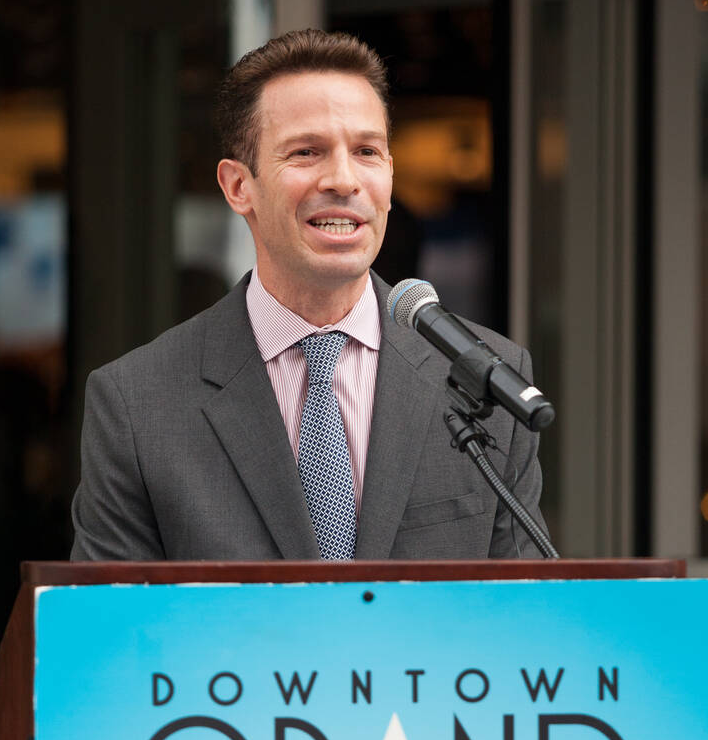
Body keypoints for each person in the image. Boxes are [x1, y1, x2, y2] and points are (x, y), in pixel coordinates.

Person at [70, 29, 546, 562]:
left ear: (390, 174)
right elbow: (110, 632)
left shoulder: (488, 379)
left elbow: (522, 619)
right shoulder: (137, 403)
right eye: (306, 152)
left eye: (367, 151)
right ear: (237, 187)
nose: (344, 179)